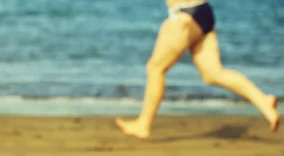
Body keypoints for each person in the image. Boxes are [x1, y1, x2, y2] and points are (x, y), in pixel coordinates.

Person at [116, 0, 280, 139]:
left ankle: (143, 124)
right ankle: (263, 102)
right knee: (213, 74)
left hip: (184, 15)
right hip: (203, 11)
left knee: (155, 68)